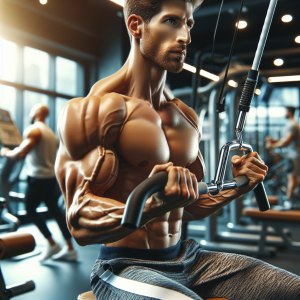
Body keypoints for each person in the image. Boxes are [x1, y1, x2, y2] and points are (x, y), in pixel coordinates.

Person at [55, 0, 300, 299]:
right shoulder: (95, 110)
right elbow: (79, 220)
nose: (186, 35)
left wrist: (238, 186)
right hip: (123, 266)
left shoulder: (185, 116)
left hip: (190, 257)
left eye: (189, 23)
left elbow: (189, 206)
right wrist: (152, 205)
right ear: (136, 26)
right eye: (172, 21)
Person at [1, 103, 77, 262]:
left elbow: (21, 154)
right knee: (55, 210)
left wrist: (6, 152)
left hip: (38, 178)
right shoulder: (50, 134)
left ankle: (51, 243)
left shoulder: (34, 130)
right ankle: (70, 248)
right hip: (50, 178)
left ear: (36, 112)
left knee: (29, 209)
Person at [266, 106, 300, 206]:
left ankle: (289, 202)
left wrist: (272, 145)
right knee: (290, 177)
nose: (284, 113)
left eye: (285, 111)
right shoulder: (290, 124)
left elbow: (286, 141)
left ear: (289, 112)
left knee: (292, 177)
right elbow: (284, 139)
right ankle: (289, 200)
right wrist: (273, 140)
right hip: (291, 155)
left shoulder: (293, 125)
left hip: (295, 156)